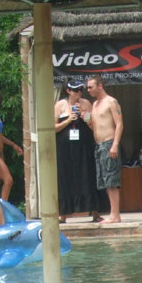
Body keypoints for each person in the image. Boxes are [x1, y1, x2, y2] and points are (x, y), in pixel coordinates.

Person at [54, 78, 100, 223]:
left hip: (83, 145)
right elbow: (53, 127)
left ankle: (94, 211)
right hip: (65, 147)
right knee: (65, 177)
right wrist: (68, 120)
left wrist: (84, 115)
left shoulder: (86, 103)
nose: (79, 93)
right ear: (68, 91)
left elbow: (93, 125)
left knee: (87, 175)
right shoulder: (60, 105)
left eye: (80, 90)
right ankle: (63, 213)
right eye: (75, 90)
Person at [87, 76, 124, 224]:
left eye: (90, 87)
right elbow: (95, 126)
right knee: (105, 181)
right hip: (99, 145)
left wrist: (115, 144)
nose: (88, 90)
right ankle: (113, 213)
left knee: (112, 180)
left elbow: (119, 124)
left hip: (109, 143)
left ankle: (115, 215)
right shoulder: (95, 104)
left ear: (100, 86)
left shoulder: (111, 102)